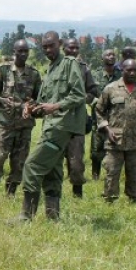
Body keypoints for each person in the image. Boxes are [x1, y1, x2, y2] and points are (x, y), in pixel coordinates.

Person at [14, 31, 87, 221]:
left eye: (51, 46)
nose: (48, 50)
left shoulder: (69, 64)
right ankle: (53, 217)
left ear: (60, 44)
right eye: (44, 47)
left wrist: (55, 106)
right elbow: (44, 104)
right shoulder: (51, 69)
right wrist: (31, 109)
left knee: (32, 165)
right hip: (51, 125)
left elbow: (79, 95)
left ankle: (26, 217)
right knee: (52, 172)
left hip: (62, 126)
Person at [0, 39, 41, 198]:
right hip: (4, 124)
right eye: (20, 51)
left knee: (19, 162)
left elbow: (38, 99)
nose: (23, 54)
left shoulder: (34, 74)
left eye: (26, 51)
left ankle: (11, 193)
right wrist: (2, 100)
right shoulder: (3, 70)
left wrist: (31, 107)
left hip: (24, 126)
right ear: (14, 52)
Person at [94, 59, 136, 203]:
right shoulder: (111, 89)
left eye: (135, 70)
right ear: (122, 70)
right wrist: (106, 128)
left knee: (134, 172)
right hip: (115, 139)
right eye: (129, 70)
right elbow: (99, 110)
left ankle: (133, 199)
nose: (132, 73)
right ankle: (110, 199)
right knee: (112, 170)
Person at [61, 38, 97, 198]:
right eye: (70, 48)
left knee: (76, 161)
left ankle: (77, 194)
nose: (73, 51)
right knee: (54, 161)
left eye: (76, 48)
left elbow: (94, 91)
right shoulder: (56, 67)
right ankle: (53, 194)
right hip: (58, 121)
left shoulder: (84, 69)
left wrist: (82, 99)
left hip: (77, 121)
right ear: (64, 49)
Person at [89, 48, 122, 180]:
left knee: (115, 147)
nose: (111, 57)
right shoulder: (94, 75)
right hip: (98, 118)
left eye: (113, 55)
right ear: (102, 58)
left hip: (116, 118)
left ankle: (113, 175)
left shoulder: (121, 75)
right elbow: (87, 94)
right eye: (108, 55)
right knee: (96, 149)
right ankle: (95, 175)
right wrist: (98, 102)